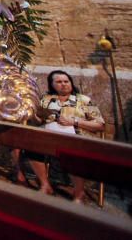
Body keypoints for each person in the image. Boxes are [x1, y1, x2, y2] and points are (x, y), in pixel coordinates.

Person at [29, 70, 105, 203]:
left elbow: (100, 125)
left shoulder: (83, 100)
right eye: (59, 82)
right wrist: (35, 115)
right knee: (32, 148)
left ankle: (79, 194)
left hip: (76, 138)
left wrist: (74, 122)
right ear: (52, 85)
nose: (63, 84)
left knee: (73, 153)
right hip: (50, 137)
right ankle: (45, 186)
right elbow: (39, 121)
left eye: (66, 81)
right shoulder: (46, 99)